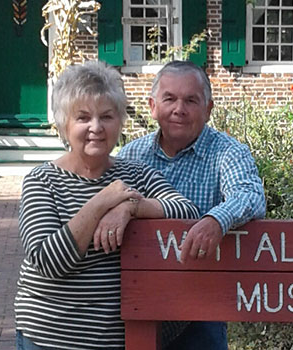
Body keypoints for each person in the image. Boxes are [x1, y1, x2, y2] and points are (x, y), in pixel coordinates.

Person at [14, 61, 200, 350]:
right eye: (83, 117)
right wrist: (102, 200)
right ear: (64, 124)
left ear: (119, 122)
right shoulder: (41, 181)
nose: (96, 128)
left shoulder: (135, 175)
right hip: (49, 339)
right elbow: (48, 261)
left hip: (117, 341)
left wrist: (130, 207)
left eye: (107, 116)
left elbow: (187, 211)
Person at [118, 60, 266, 350]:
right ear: (152, 106)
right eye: (169, 98)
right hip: (140, 304)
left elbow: (250, 195)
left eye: (191, 100)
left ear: (208, 109)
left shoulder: (228, 152)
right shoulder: (130, 155)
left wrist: (215, 220)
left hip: (201, 308)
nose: (179, 109)